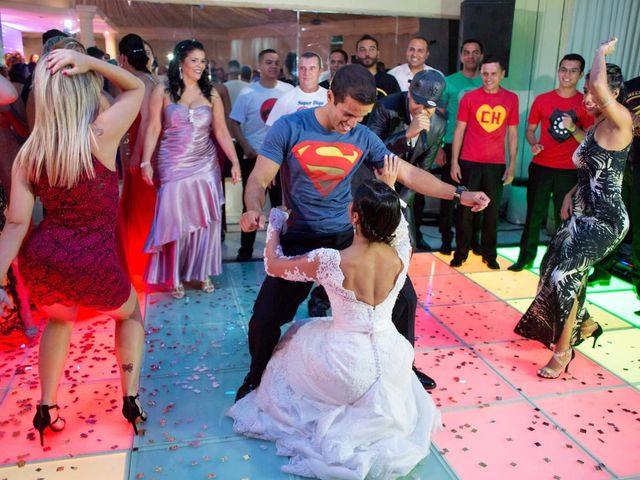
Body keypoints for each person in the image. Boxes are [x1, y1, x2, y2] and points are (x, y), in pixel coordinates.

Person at [234, 64, 489, 401]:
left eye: (360, 117)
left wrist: (459, 194)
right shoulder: (290, 127)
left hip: (347, 236)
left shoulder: (362, 136)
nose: (350, 123)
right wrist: (253, 208)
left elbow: (408, 174)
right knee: (264, 319)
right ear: (329, 97)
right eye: (347, 114)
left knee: (404, 300)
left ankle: (403, 368)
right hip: (300, 236)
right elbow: (259, 179)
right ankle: (256, 378)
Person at [227, 162, 442, 479]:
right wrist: (390, 186)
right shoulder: (402, 252)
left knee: (294, 343)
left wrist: (275, 222)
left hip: (345, 367)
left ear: (354, 217)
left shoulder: (329, 260)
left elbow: (274, 265)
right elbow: (399, 223)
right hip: (393, 359)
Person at [0, 48, 147, 445]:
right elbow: (136, 88)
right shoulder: (100, 135)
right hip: (92, 262)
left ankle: (46, 408)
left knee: (59, 320)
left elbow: (15, 224)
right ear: (83, 89)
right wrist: (96, 64)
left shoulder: (29, 154)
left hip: (44, 260)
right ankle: (130, 399)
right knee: (130, 316)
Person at [514, 38, 633, 378]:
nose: (588, 97)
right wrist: (569, 193)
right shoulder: (594, 126)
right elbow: (592, 169)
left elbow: (598, 82)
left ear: (612, 95)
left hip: (606, 220)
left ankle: (563, 351)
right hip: (581, 212)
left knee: (564, 275)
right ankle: (586, 324)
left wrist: (600, 53)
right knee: (548, 266)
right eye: (585, 92)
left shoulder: (620, 121)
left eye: (594, 92)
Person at [141, 39, 240, 299]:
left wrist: (235, 160)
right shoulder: (162, 90)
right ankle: (173, 276)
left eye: (203, 61)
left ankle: (201, 271)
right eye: (194, 60)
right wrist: (145, 161)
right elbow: (153, 128)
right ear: (181, 63)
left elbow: (220, 130)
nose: (200, 65)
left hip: (205, 162)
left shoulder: (212, 93)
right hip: (172, 162)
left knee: (203, 220)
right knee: (174, 219)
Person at [509, 54, 592, 272]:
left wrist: (573, 127)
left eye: (573, 71)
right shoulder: (543, 100)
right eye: (563, 69)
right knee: (534, 215)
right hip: (541, 166)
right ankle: (525, 258)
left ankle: (559, 263)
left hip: (569, 171)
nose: (567, 74)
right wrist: (533, 143)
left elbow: (588, 141)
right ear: (558, 70)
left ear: (581, 75)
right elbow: (529, 130)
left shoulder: (584, 103)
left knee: (564, 220)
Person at [450, 55, 519, 269]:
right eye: (485, 73)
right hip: (469, 160)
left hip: (495, 163)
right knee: (464, 210)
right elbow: (459, 130)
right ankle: (461, 252)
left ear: (502, 74)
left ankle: (489, 254)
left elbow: (513, 133)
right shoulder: (469, 98)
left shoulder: (511, 99)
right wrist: (455, 162)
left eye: (493, 74)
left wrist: (512, 164)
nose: (488, 78)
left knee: (491, 211)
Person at [367, 70, 447, 249]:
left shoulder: (439, 123)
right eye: (418, 103)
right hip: (373, 185)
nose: (423, 110)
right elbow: (370, 151)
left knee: (406, 245)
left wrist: (400, 202)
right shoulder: (386, 107)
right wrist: (407, 135)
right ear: (409, 93)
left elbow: (423, 169)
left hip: (403, 194)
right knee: (372, 246)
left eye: (430, 107)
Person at [230, 49, 293, 261]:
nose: (273, 66)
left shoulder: (288, 91)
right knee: (250, 204)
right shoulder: (248, 93)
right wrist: (246, 147)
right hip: (252, 156)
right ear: (259, 66)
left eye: (276, 63)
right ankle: (245, 251)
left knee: (281, 207)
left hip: (281, 161)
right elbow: (234, 123)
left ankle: (281, 250)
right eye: (268, 62)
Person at [116, 34, 160, 285]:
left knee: (142, 210)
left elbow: (145, 120)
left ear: (123, 57)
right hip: (145, 150)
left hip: (144, 153)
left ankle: (143, 267)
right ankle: (145, 265)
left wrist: (138, 156)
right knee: (143, 208)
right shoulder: (149, 79)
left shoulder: (140, 81)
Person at [439, 39, 484, 255]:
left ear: (481, 56)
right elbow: (438, 117)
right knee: (449, 195)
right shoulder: (448, 82)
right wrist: (438, 146)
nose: (471, 56)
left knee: (474, 196)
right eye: (466, 52)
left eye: (475, 53)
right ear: (461, 56)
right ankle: (446, 241)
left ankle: (470, 241)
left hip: (476, 151)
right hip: (450, 145)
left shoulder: (487, 83)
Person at [266, 52, 327, 126]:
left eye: (312, 68)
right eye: (302, 68)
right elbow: (272, 130)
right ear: (298, 71)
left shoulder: (330, 98)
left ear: (320, 71)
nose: (306, 73)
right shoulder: (285, 98)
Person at [355, 34, 400, 99]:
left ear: (378, 54)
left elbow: (397, 106)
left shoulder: (389, 81)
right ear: (356, 54)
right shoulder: (348, 80)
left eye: (371, 49)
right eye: (362, 49)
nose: (367, 54)